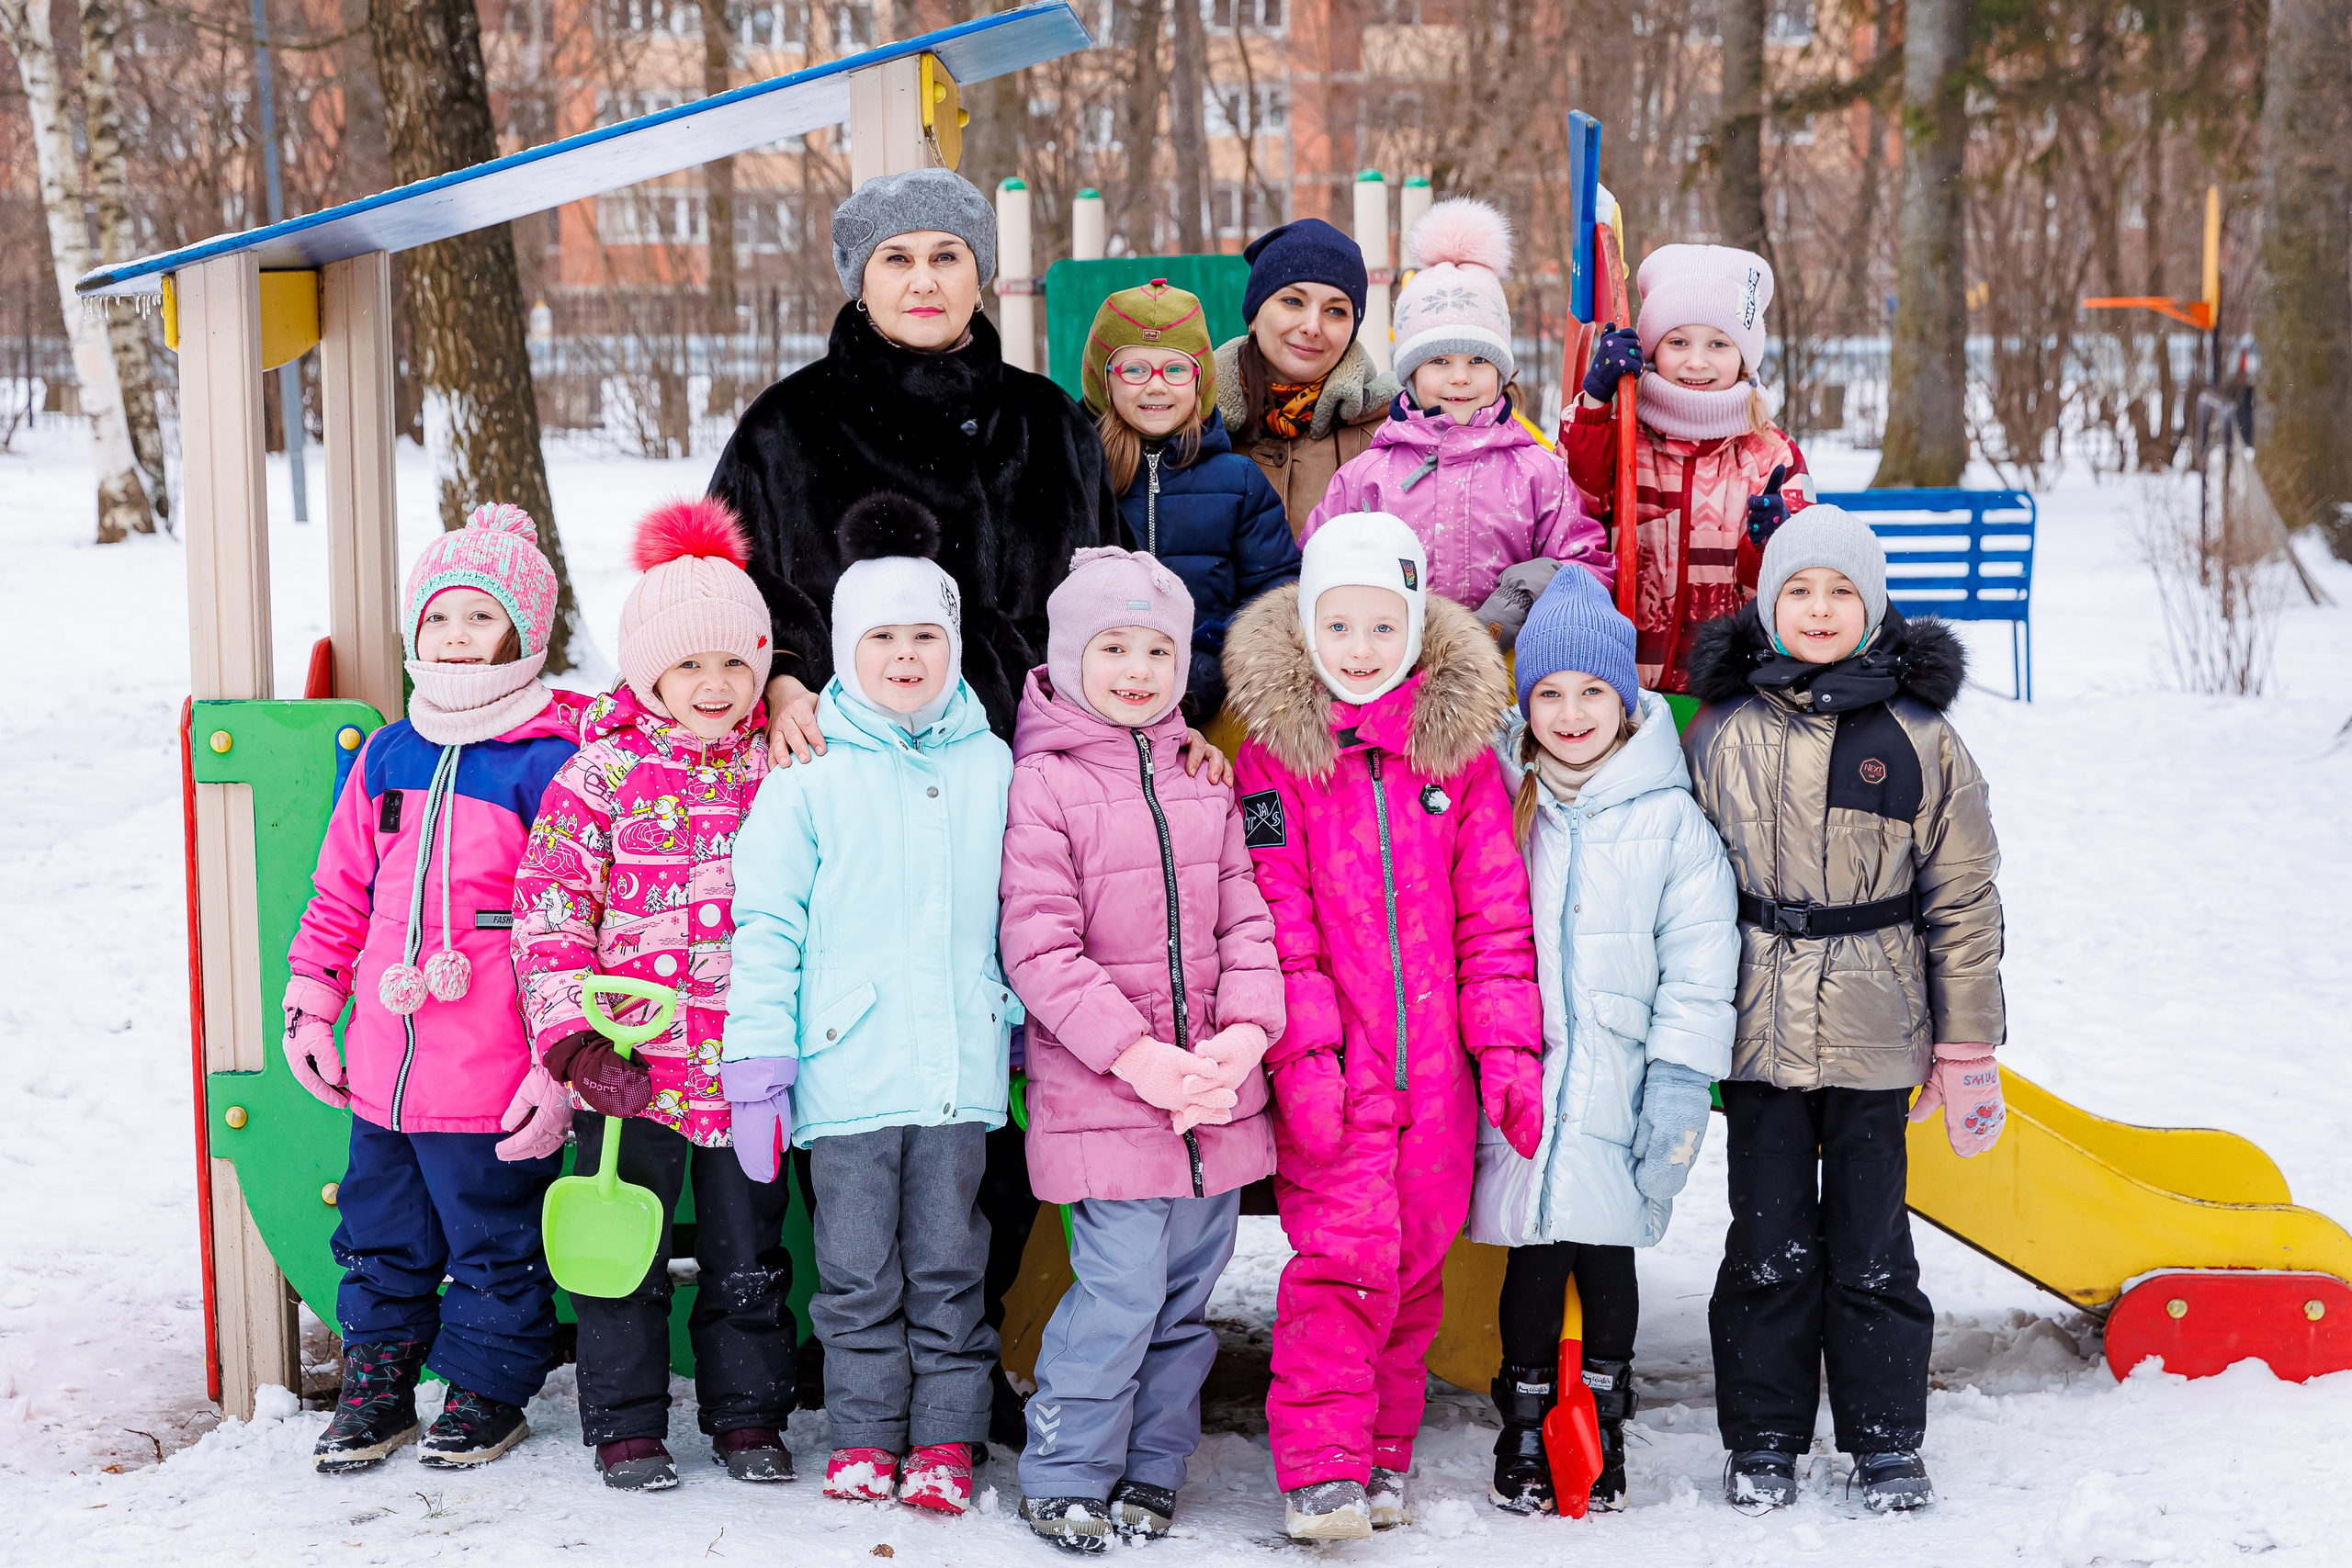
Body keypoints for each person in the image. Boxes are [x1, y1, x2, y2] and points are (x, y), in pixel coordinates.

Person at [1221, 513, 1542, 1540]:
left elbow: (1494, 915)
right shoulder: (1276, 761)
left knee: (1413, 1272)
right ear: (1307, 628)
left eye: (1381, 626)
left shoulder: (1459, 761)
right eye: (1339, 626)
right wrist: (1305, 1055)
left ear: (1415, 626)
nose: (1360, 649)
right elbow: (1277, 919)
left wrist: (1505, 1048)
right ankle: (1321, 1469)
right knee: (1341, 1266)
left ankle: (1384, 1454)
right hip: (1340, 1067)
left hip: (1439, 1076)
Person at [1680, 507, 2006, 1514]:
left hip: (1878, 1027)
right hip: (1756, 1026)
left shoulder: (1919, 736)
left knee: (1872, 1247)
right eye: (1798, 591)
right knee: (1766, 1246)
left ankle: (1885, 1440)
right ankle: (1763, 1436)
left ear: (1873, 607)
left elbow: (1963, 895)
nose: (1818, 610)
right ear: (1766, 604)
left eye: (1840, 592)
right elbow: (1676, 881)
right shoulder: (1721, 731)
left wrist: (1965, 1044)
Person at [726, 493, 1016, 1517]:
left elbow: (1022, 909)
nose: (905, 656)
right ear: (846, 650)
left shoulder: (992, 764)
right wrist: (758, 1064)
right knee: (855, 1276)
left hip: (956, 1077)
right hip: (845, 1075)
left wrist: (1020, 1028)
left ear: (954, 646)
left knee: (950, 1269)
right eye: (881, 637)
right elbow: (766, 923)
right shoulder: (805, 772)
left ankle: (943, 1439)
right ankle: (861, 1435)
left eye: (925, 636)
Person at [284, 503, 585, 1475]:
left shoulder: (551, 757)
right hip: (383, 1067)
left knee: (493, 1238)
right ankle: (379, 1383)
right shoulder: (390, 753)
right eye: (440, 616)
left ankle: (486, 1389)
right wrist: (313, 1002)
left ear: (524, 633)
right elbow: (341, 892)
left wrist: (558, 1065)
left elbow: (572, 917)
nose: (456, 636)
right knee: (380, 1232)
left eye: (481, 617)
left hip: (491, 1068)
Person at [995, 547, 1284, 1552]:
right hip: (1111, 1099)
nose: (1135, 670)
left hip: (1214, 1101)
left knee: (1186, 1302)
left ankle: (1154, 1465)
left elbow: (1246, 921)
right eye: (1112, 647)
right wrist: (1137, 1057)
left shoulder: (1204, 781)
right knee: (1117, 1293)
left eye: (1157, 650)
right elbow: (1039, 948)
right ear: (1072, 655)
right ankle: (1067, 1469)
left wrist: (1244, 1033)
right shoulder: (1045, 782)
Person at [512, 499, 796, 1494]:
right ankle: (626, 1425)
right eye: (688, 665)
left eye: (733, 664)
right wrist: (575, 1049)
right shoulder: (602, 776)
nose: (714, 686)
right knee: (620, 1249)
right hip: (630, 1071)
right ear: (647, 673)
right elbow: (550, 912)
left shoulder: (781, 767)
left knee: (747, 1255)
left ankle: (749, 1416)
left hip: (748, 1071)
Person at [1466, 568, 1736, 1516]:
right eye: (1548, 693)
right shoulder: (1502, 800)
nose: (1571, 713)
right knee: (1536, 1252)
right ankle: (1525, 1418)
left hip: (1624, 1081)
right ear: (1524, 702)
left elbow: (1699, 963)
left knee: (1609, 1252)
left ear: (1625, 700)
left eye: (1592, 692)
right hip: (1523, 1076)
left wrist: (1679, 1081)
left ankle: (1603, 1417)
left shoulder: (1672, 821)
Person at [707, 167, 1121, 756]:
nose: (924, 282)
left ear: (979, 276)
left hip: (1046, 768)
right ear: (861, 280)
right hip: (850, 762)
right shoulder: (784, 426)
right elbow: (715, 593)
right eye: (897, 259)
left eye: (946, 257)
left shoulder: (1051, 421)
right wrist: (780, 681)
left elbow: (1118, 593)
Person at [1302, 198, 1613, 618]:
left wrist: (1527, 596)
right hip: (1389, 655)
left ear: (1500, 373)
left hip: (1506, 656)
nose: (1461, 377)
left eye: (1478, 360)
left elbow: (1588, 569)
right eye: (1440, 361)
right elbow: (1317, 566)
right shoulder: (1367, 477)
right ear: (1411, 375)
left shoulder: (1538, 474)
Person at [1566, 243, 1814, 693]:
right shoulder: (1624, 436)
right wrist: (1597, 403)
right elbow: (1578, 504)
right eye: (1678, 342)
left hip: (1730, 690)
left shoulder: (1771, 454)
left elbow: (1802, 583)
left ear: (1744, 356)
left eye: (1718, 344)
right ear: (1652, 349)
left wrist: (1775, 542)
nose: (1696, 362)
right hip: (1621, 681)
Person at [1082, 280, 1299, 721]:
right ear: (1105, 380)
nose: (1156, 387)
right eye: (1135, 369)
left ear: (1200, 382)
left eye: (1176, 370)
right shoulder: (1077, 475)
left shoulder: (1238, 480)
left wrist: (1202, 672)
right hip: (1092, 701)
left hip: (1211, 701)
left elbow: (1275, 595)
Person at [1211, 218, 1401, 532]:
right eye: (1292, 301)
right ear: (1254, 316)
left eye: (1336, 310)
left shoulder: (1388, 436)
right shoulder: (1195, 427)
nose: (1312, 327)